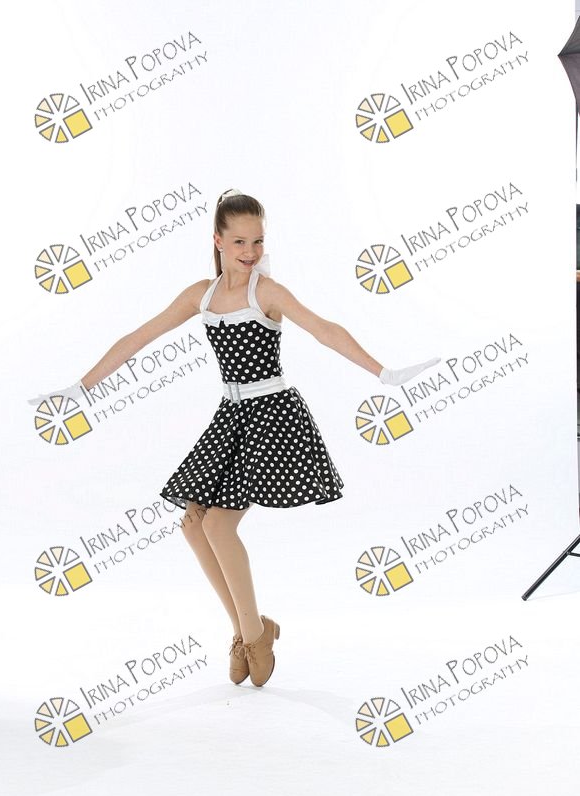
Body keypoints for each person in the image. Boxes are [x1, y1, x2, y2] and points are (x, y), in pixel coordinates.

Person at [28, 189, 438, 689]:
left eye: (258, 241)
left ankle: (254, 638)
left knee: (219, 525)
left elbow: (325, 330)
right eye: (240, 241)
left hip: (273, 416)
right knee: (192, 523)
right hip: (232, 416)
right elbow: (137, 338)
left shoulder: (267, 292)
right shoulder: (201, 295)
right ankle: (250, 630)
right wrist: (80, 388)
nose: (251, 251)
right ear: (218, 240)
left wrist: (384, 373)